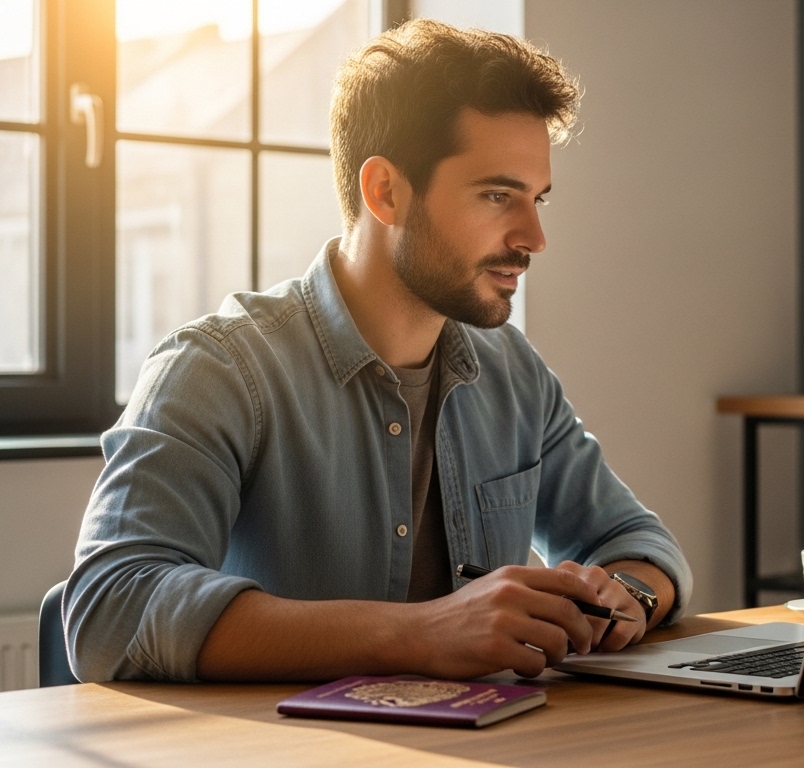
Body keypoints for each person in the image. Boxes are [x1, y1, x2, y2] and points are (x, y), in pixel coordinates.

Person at [64, 20, 691, 683]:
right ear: (385, 191)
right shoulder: (217, 370)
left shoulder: (514, 374)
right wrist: (422, 634)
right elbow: (110, 607)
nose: (534, 237)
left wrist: (629, 596)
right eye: (497, 195)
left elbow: (639, 545)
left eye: (536, 200)